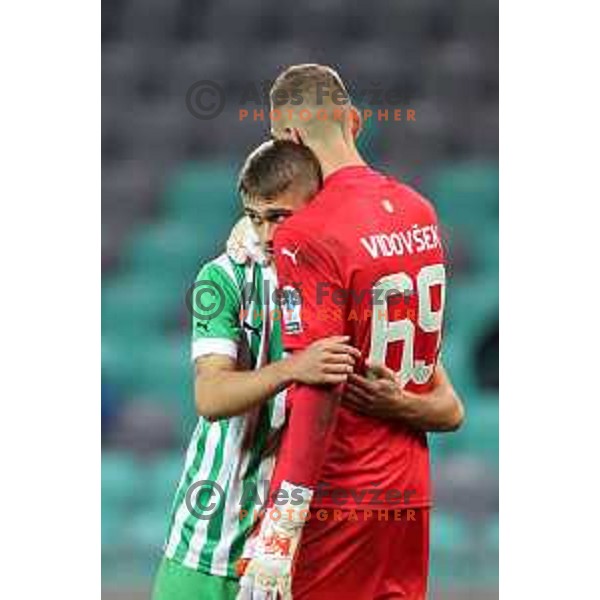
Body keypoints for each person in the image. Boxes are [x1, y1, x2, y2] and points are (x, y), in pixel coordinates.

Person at [153, 139, 463, 600]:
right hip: (211, 537)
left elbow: (450, 409)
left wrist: (398, 403)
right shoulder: (225, 277)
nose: (266, 235)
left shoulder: (355, 276)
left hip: (303, 543)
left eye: (280, 217)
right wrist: (294, 367)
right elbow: (210, 397)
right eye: (255, 217)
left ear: (317, 204)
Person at [238, 65, 464, 600]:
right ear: (355, 122)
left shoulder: (305, 233)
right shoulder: (420, 211)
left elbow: (320, 388)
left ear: (290, 140)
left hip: (341, 494)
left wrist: (281, 528)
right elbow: (428, 370)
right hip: (410, 492)